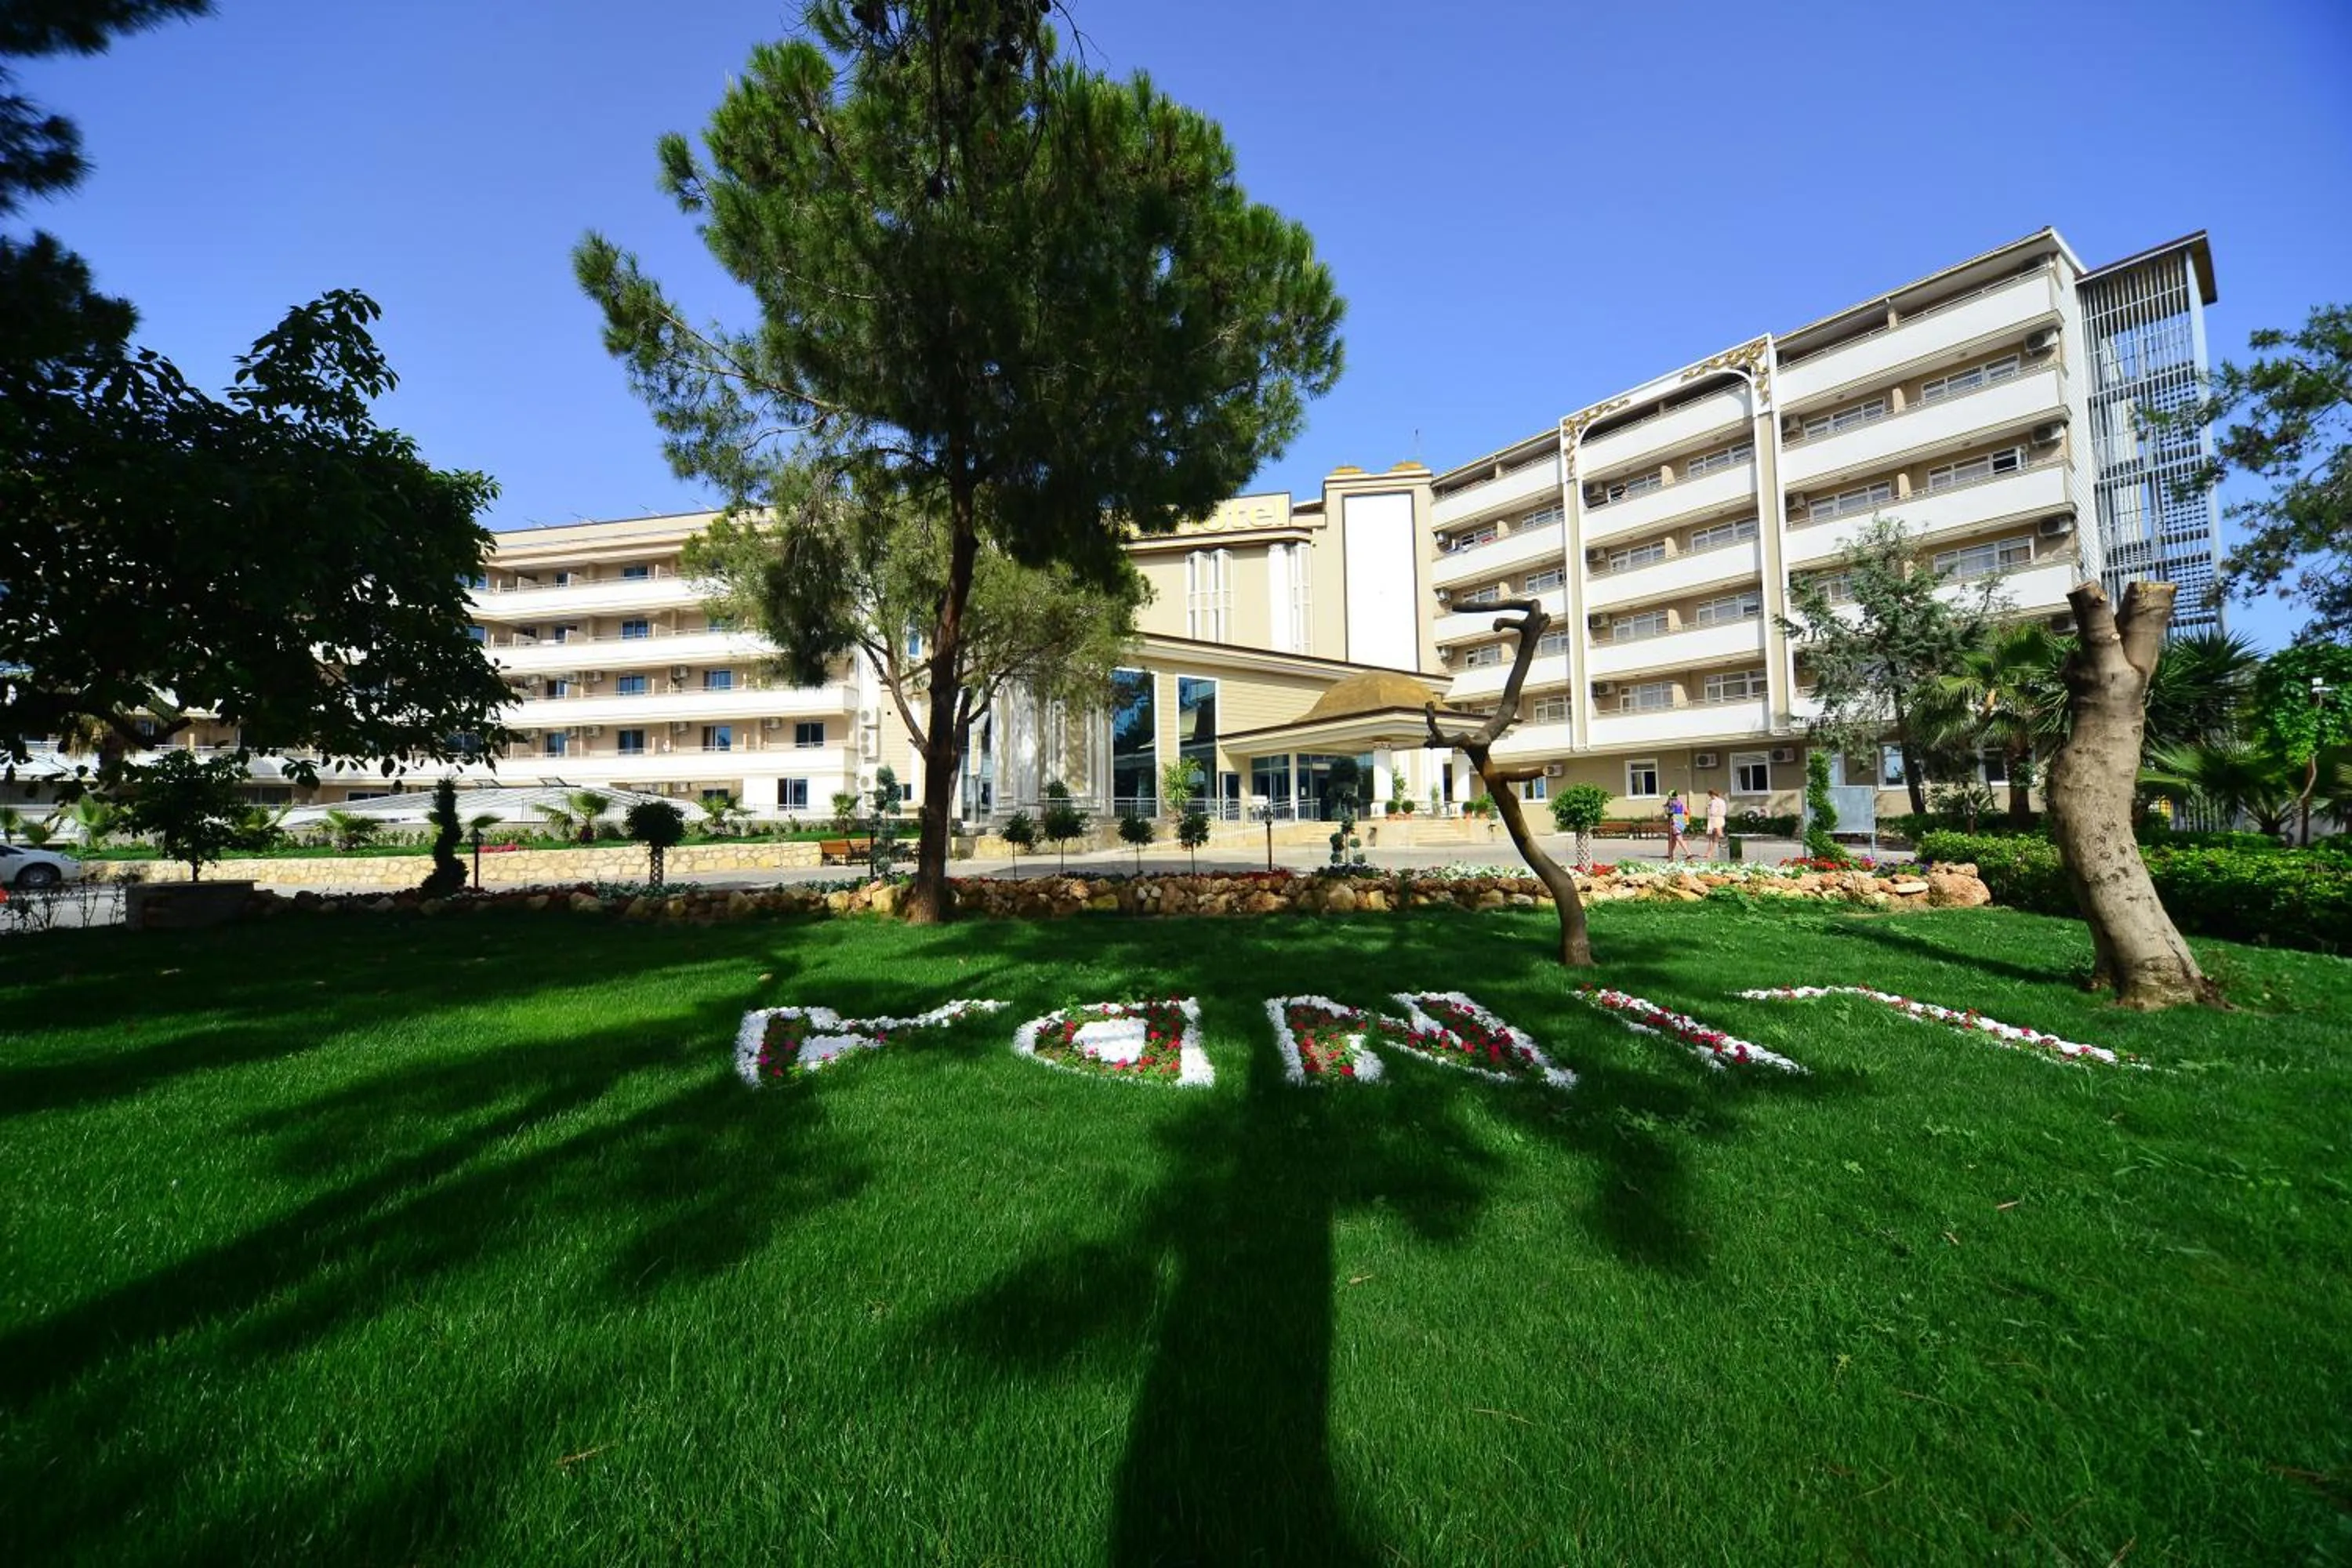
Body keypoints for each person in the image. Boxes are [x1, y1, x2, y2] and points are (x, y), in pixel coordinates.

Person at [1664, 790, 1689, 862]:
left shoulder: (1671, 803)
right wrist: (1686, 821)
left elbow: (1668, 812)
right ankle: (1670, 853)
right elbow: (1686, 811)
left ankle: (1688, 853)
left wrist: (1667, 808)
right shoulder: (1680, 803)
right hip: (1681, 820)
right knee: (1674, 839)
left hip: (1675, 820)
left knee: (1679, 838)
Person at [1704, 788, 1727, 861]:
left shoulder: (1713, 802)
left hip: (1714, 819)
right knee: (1715, 836)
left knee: (1717, 836)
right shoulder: (1722, 801)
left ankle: (1724, 850)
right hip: (1721, 818)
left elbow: (1712, 811)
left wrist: (1708, 808)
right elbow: (1724, 811)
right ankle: (1709, 853)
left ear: (1712, 794)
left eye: (1710, 795)